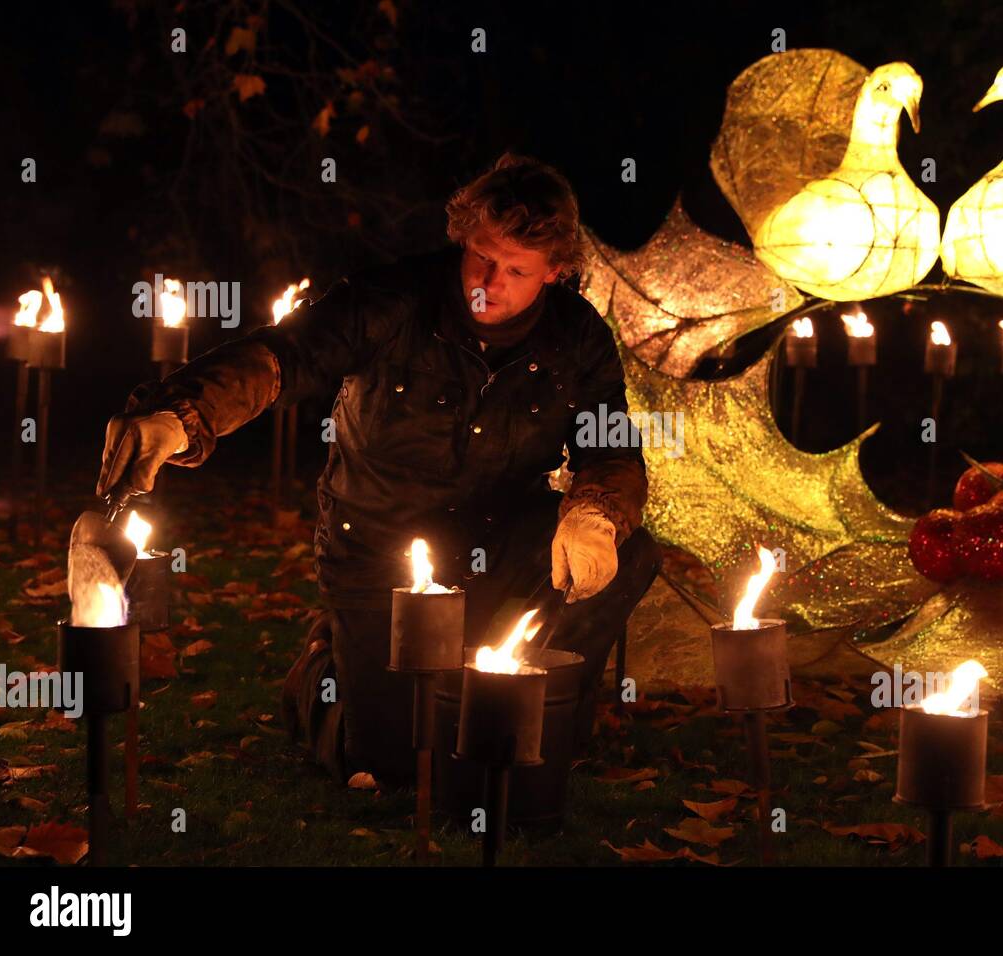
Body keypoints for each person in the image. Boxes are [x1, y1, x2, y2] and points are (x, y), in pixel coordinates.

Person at [96, 153, 661, 787]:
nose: (488, 281)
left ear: (554, 273)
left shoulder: (577, 337)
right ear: (463, 237)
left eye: (515, 270)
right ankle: (323, 672)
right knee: (393, 765)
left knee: (629, 556)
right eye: (480, 255)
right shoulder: (393, 300)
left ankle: (543, 706)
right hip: (378, 557)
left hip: (499, 549)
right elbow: (289, 356)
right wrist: (186, 413)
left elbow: (609, 444)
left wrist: (595, 513)